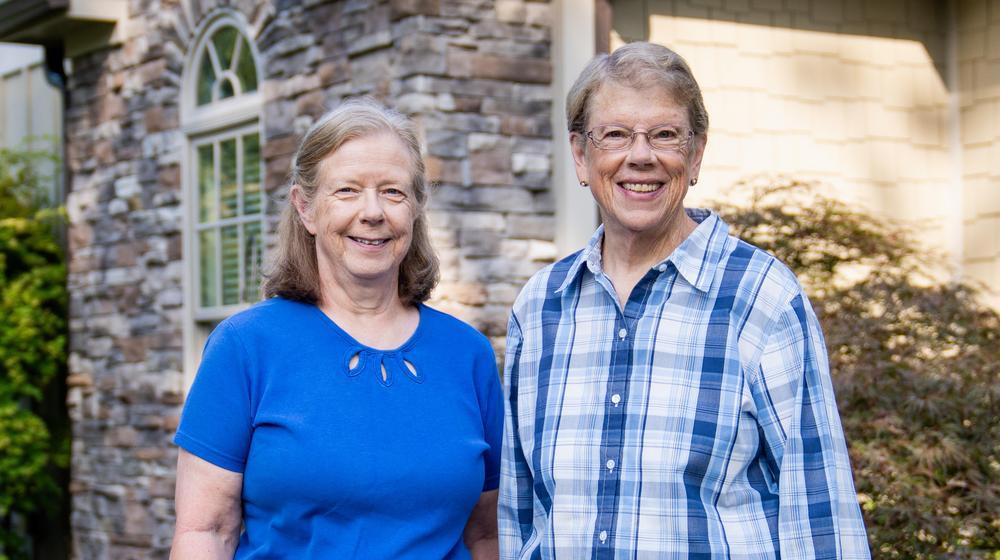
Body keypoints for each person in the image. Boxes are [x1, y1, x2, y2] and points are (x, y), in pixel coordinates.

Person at [498, 42, 870, 559]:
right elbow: (520, 514)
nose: (641, 155)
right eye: (615, 135)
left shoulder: (761, 297)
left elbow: (821, 514)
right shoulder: (540, 308)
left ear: (695, 156)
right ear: (581, 156)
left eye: (666, 135)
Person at [171, 99, 502, 559]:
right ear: (305, 208)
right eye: (347, 190)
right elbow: (205, 533)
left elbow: (485, 534)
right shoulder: (245, 348)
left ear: (416, 209)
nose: (372, 212)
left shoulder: (468, 355)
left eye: (393, 192)